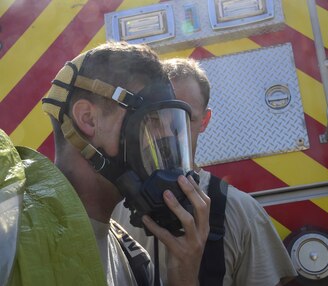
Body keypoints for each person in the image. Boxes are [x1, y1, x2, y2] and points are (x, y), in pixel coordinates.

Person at [2, 42, 210, 286]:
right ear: (88, 119)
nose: (162, 142)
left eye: (169, 126)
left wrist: (183, 274)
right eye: (152, 122)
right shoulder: (10, 231)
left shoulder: (136, 261)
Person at [112, 58, 297, 285]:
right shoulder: (112, 209)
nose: (169, 133)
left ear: (205, 121)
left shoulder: (242, 211)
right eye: (155, 118)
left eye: (185, 118)